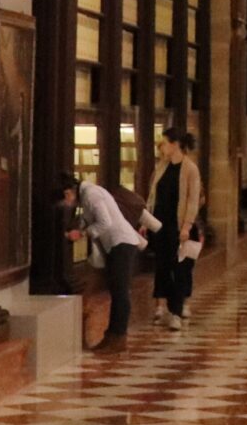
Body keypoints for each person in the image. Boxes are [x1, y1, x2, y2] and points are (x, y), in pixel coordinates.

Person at [60, 175, 146, 353]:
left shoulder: (91, 195)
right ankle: (112, 336)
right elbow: (90, 218)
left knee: (120, 292)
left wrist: (82, 234)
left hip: (121, 243)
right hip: (117, 244)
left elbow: (104, 222)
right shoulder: (88, 195)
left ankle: (118, 338)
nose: (67, 203)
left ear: (70, 191)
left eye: (66, 197)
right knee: (117, 290)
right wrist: (80, 227)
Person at [149, 128, 204, 330]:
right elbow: (153, 195)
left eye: (164, 143)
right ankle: (162, 306)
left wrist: (187, 226)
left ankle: (176, 312)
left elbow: (192, 199)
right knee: (162, 265)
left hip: (178, 225)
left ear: (175, 144)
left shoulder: (190, 169)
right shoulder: (162, 166)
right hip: (160, 224)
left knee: (179, 268)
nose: (162, 147)